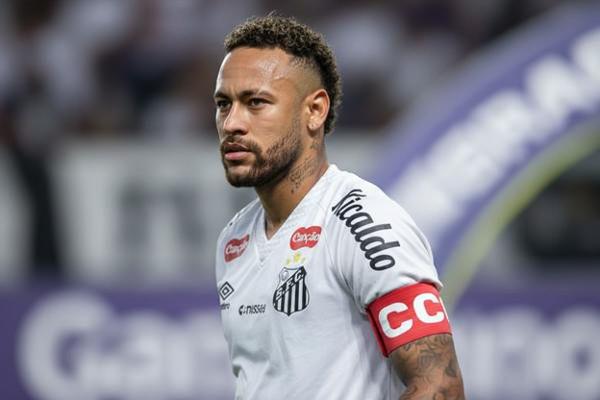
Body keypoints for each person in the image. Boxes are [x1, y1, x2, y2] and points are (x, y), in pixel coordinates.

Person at [213, 15, 465, 400]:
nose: (232, 123)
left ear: (315, 110)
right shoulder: (234, 239)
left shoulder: (363, 222)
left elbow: (440, 387)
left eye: (256, 103)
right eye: (223, 104)